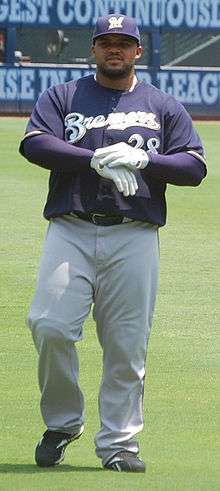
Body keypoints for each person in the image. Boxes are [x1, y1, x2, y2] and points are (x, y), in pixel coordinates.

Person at [19, 14, 207, 473]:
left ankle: (120, 445)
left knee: (126, 344)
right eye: (107, 42)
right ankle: (64, 423)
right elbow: (35, 144)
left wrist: (147, 157)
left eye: (124, 43)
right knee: (49, 325)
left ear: (138, 51)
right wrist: (93, 160)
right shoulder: (65, 96)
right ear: (94, 48)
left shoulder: (163, 106)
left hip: (134, 235)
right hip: (72, 228)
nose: (115, 49)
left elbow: (194, 167)